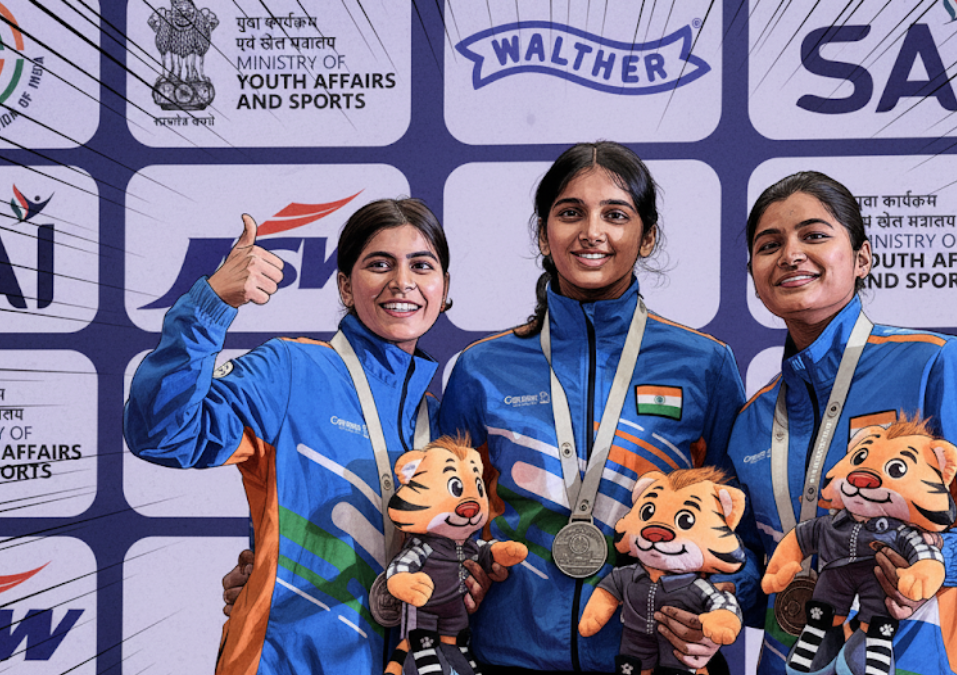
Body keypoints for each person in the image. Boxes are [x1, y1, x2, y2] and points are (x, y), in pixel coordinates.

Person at [437, 141, 760, 674]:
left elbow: (739, 531)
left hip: (660, 658)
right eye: (570, 213)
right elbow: (447, 523)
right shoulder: (481, 368)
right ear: (544, 234)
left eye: (615, 214)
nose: (592, 232)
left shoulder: (704, 365)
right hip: (510, 657)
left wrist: (717, 605)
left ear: (648, 236)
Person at [728, 171, 957, 675]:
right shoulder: (753, 418)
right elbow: (752, 567)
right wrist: (704, 596)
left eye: (814, 235)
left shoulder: (934, 364)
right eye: (769, 244)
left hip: (917, 661)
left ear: (862, 258)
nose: (790, 254)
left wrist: (937, 558)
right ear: (753, 273)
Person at [124, 198, 453, 675]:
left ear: (443, 289)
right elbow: (161, 433)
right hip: (284, 662)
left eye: (421, 265)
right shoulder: (291, 371)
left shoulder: (441, 424)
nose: (402, 282)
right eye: (379, 264)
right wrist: (210, 304)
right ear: (345, 285)